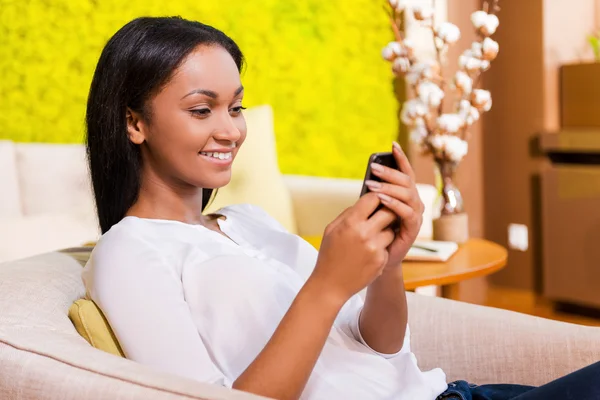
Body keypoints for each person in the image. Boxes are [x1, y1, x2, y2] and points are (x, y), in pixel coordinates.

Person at [82, 16, 600, 400]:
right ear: (134, 123)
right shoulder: (127, 254)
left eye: (236, 106)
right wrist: (327, 284)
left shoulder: (248, 222)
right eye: (202, 109)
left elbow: (380, 345)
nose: (231, 129)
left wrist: (387, 264)